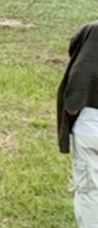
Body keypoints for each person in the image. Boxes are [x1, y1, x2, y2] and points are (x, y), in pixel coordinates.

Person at [61, 21, 98, 227]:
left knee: (90, 191)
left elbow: (80, 73)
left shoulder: (94, 33)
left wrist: (72, 106)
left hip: (92, 129)